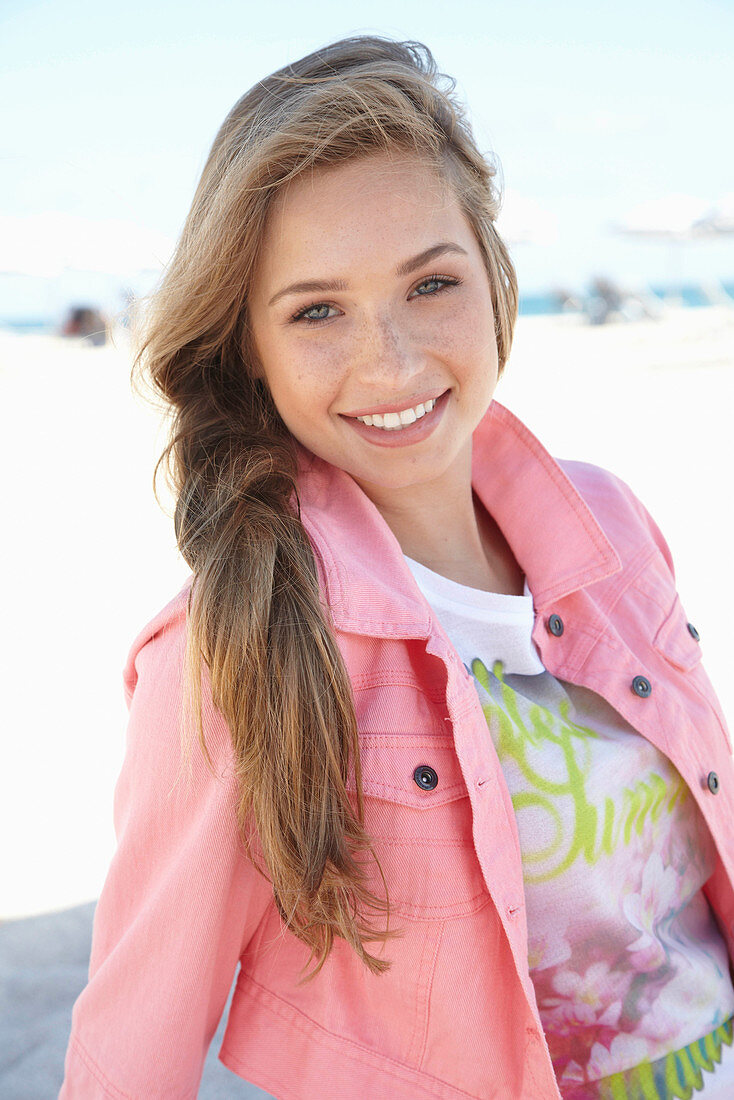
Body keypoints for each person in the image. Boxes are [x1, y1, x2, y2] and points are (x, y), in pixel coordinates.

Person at [60, 36, 734, 1100]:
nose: (392, 360)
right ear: (248, 347)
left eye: (429, 283)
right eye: (316, 310)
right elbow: (131, 1041)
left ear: (493, 275)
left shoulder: (608, 521)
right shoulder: (229, 643)